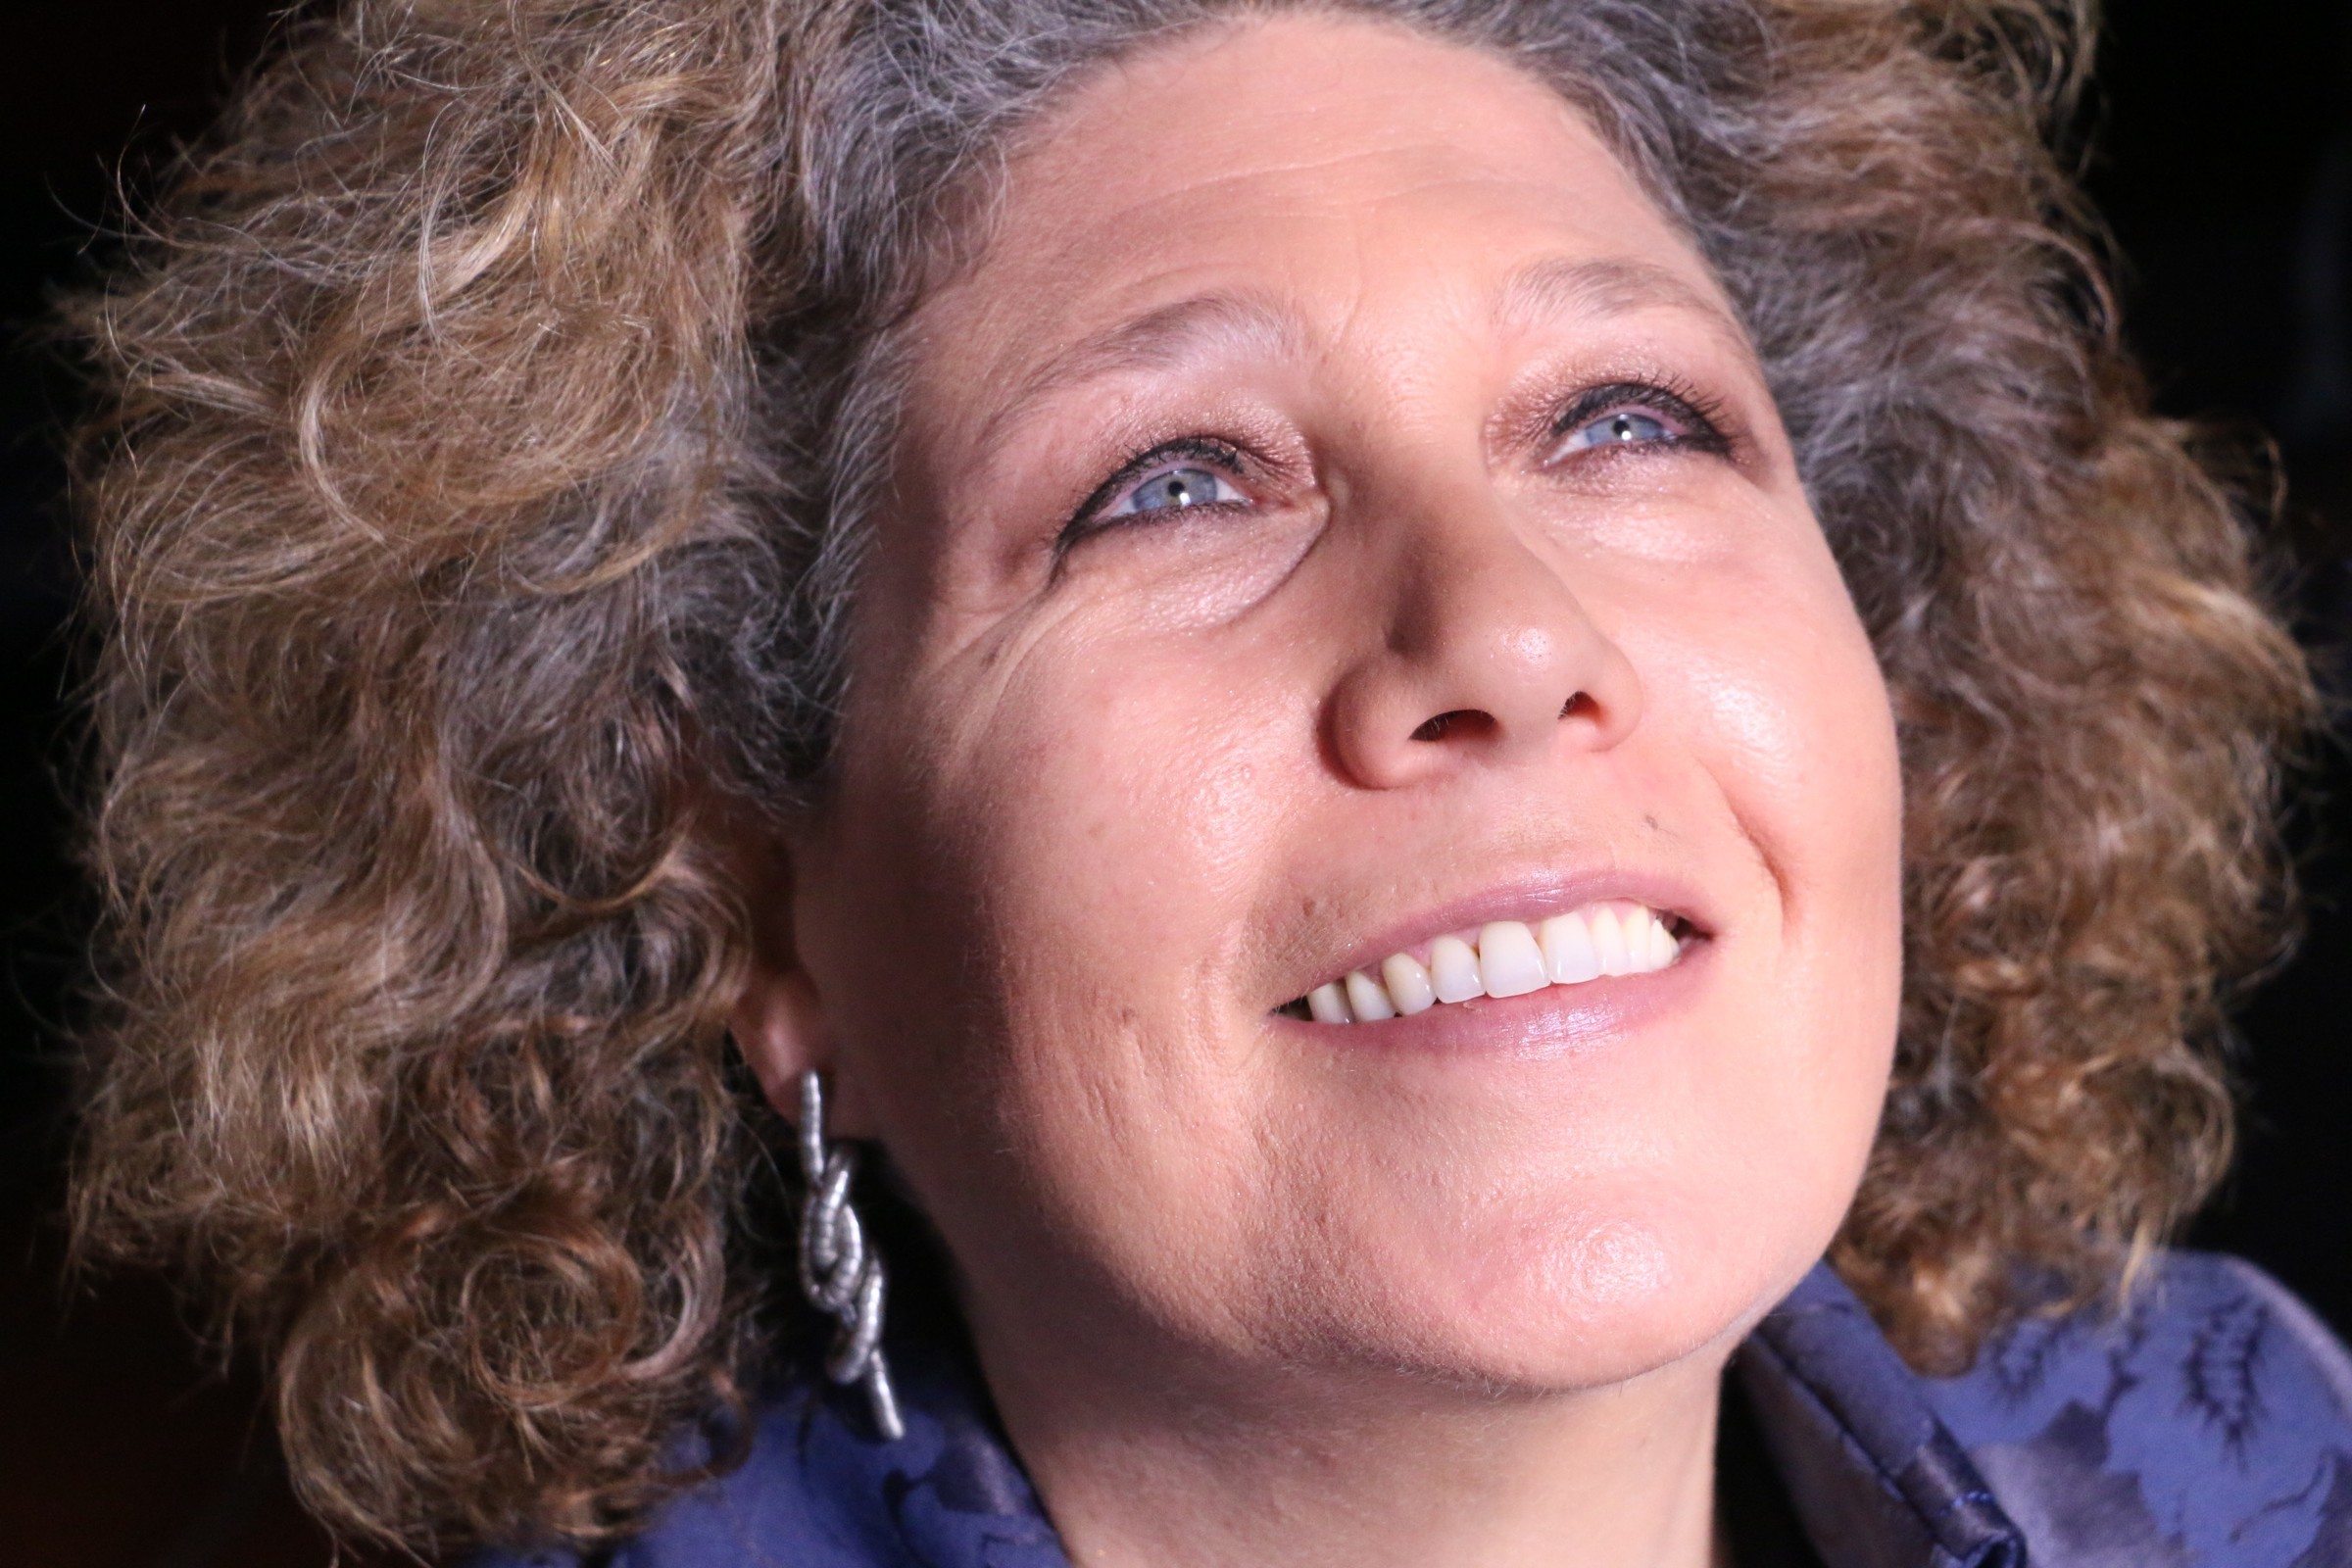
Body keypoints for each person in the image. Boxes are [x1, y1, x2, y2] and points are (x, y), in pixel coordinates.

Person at [65, 0, 2352, 1563]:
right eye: (1169, 483)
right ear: (747, 883)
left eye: (1628, 420)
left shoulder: (2254, 1452)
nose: (1508, 632)